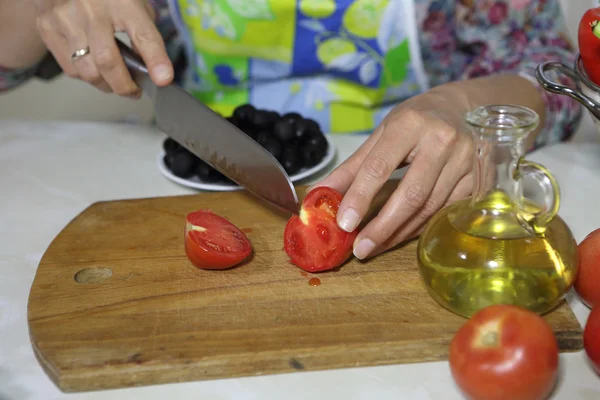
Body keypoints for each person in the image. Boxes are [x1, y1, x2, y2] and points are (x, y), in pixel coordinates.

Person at [0, 0, 583, 260]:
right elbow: (12, 59)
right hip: (183, 182)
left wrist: (467, 107)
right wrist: (42, 8)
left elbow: (550, 66)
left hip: (412, 182)